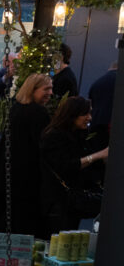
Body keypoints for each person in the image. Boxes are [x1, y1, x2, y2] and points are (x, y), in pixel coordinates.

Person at [40, 97, 109, 234]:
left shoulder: (79, 135)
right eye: (85, 114)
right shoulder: (54, 136)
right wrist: (98, 156)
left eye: (90, 113)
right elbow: (65, 166)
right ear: (72, 115)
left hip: (70, 200)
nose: (89, 118)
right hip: (57, 201)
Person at [9, 73, 54, 236]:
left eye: (51, 89)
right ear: (33, 90)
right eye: (46, 89)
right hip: (30, 172)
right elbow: (43, 145)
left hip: (14, 170)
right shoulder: (39, 113)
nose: (50, 93)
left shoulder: (16, 108)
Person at [89, 61, 117, 150]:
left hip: (95, 126)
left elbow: (90, 105)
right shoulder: (119, 81)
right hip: (112, 129)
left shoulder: (96, 83)